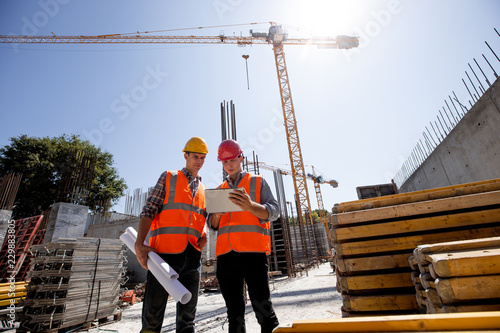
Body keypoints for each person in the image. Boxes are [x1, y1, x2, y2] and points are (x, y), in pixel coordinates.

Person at [135, 137, 209, 333]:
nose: (199, 162)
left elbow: (199, 220)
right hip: (163, 256)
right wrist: (139, 244)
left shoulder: (203, 189)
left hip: (192, 259)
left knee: (187, 320)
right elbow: (149, 210)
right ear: (185, 155)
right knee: (152, 318)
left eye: (202, 158)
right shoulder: (169, 177)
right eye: (195, 156)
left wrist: (204, 234)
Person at [209, 139, 280, 333]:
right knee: (234, 313)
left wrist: (251, 206)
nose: (229, 165)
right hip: (226, 257)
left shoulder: (258, 182)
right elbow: (212, 226)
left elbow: (274, 211)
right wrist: (216, 215)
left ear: (240, 158)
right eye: (224, 162)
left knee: (262, 308)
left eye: (232, 160)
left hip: (253, 254)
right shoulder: (218, 191)